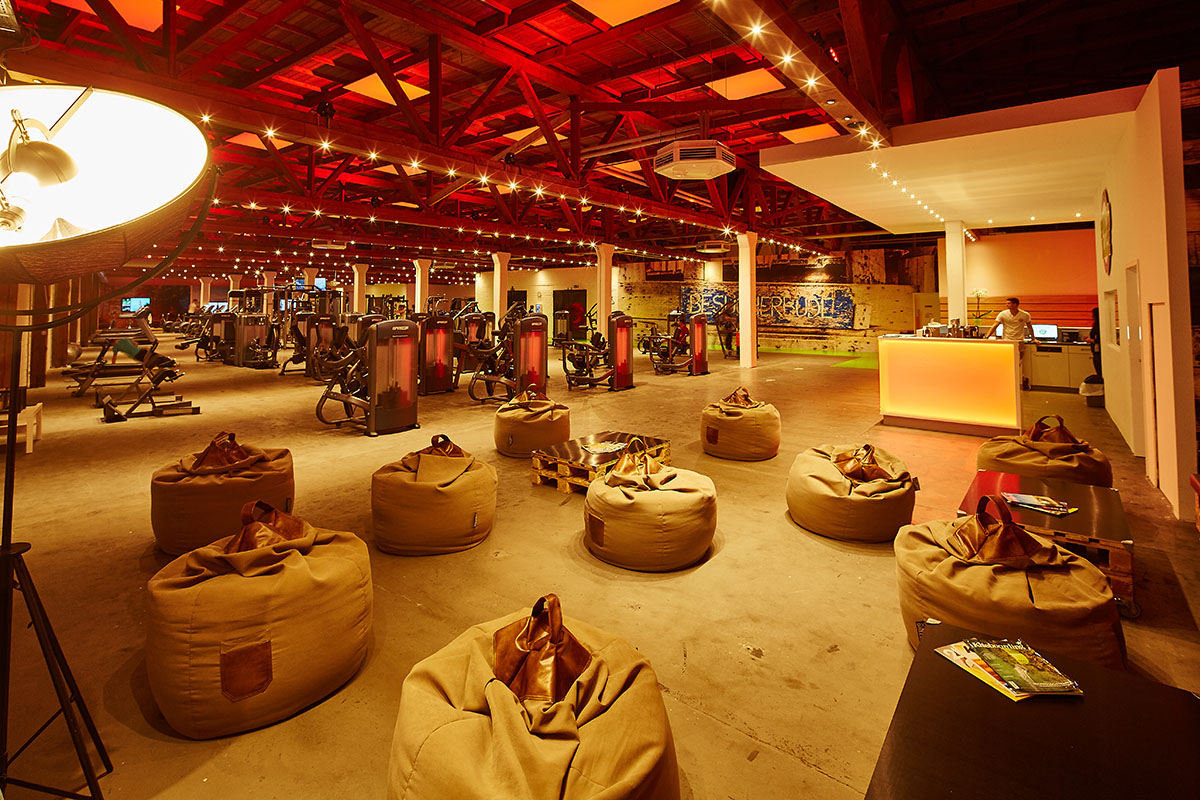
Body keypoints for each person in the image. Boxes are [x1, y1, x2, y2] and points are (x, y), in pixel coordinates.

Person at [1087, 306, 1102, 377]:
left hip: (1098, 351)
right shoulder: (1097, 324)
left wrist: (1089, 340)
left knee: (1099, 370)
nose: (1092, 316)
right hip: (1096, 351)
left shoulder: (1098, 325)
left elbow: (1098, 339)